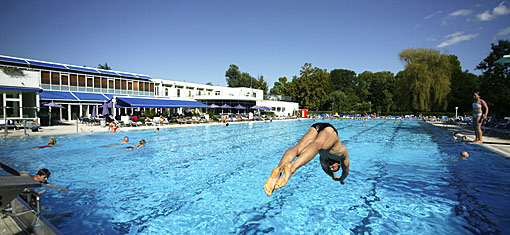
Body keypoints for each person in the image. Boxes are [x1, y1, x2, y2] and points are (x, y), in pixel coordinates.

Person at [264, 123, 350, 197]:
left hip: (316, 127)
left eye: (330, 168)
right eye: (334, 168)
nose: (330, 166)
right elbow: (345, 171)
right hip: (329, 130)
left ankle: (278, 170)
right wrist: (342, 178)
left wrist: (332, 175)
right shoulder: (342, 154)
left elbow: (325, 169)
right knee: (317, 145)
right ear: (339, 164)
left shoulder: (324, 159)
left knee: (298, 148)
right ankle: (291, 168)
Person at [0, 163, 67, 194]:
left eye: (47, 177)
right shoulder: (28, 177)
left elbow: (51, 186)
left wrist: (61, 189)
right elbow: (13, 172)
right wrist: (1, 165)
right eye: (44, 177)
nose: (46, 179)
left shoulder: (43, 182)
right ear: (38, 176)